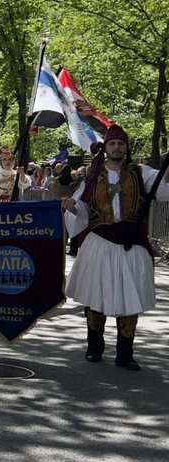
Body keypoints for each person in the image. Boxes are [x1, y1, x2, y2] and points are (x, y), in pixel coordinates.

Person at [61, 124, 169, 370]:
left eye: (121, 144)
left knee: (129, 301)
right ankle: (94, 348)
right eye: (113, 144)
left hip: (132, 244)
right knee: (96, 298)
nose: (117, 147)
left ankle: (125, 354)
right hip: (99, 243)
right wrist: (71, 207)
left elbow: (163, 189)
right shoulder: (92, 175)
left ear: (126, 147)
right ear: (106, 147)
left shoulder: (141, 173)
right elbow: (82, 211)